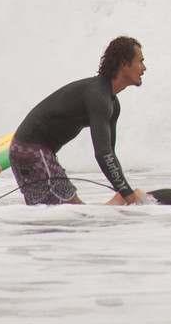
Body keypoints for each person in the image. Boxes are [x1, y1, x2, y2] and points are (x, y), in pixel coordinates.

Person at [9, 36, 148, 205]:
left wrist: (124, 190)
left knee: (68, 210)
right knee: (67, 211)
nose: (144, 68)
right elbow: (102, 153)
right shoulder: (97, 95)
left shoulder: (111, 103)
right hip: (30, 150)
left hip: (37, 152)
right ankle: (119, 201)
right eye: (140, 61)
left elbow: (109, 154)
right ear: (124, 63)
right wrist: (128, 195)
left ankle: (118, 201)